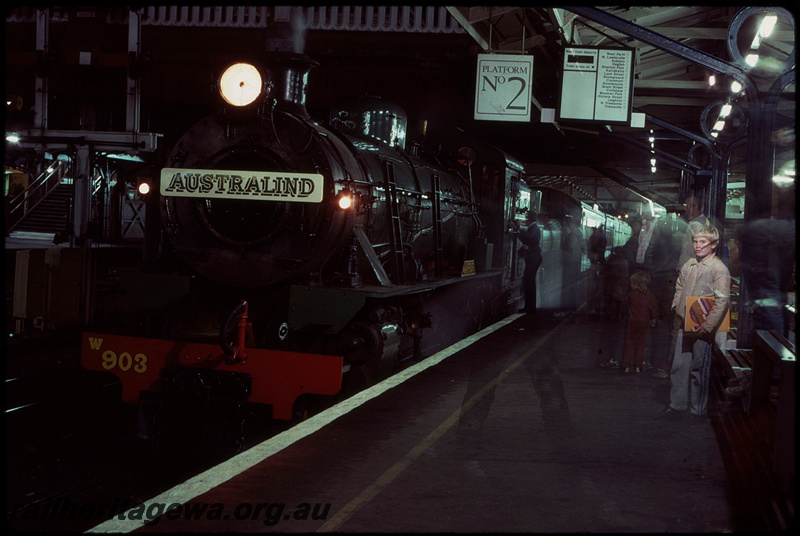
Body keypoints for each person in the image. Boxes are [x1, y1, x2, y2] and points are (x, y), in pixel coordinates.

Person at [657, 224, 730, 418]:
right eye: (696, 242)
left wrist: (708, 326)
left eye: (703, 242)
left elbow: (722, 300)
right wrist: (676, 306)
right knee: (679, 365)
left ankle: (697, 408)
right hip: (684, 322)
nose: (698, 246)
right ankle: (677, 403)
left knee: (699, 368)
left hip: (704, 327)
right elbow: (679, 287)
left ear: (713, 245)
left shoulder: (719, 269)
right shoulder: (689, 264)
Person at [621, 270, 659, 373]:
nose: (630, 285)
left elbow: (625, 306)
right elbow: (654, 309)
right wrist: (653, 318)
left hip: (632, 322)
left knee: (629, 344)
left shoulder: (631, 295)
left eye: (632, 283)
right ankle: (638, 366)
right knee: (641, 346)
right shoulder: (650, 296)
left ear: (636, 284)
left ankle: (626, 366)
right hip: (644, 323)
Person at [517, 212, 542, 314]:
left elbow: (529, 237)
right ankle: (529, 306)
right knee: (529, 282)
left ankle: (530, 308)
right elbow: (526, 238)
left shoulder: (534, 228)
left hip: (533, 258)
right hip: (533, 258)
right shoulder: (533, 227)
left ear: (529, 220)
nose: (525, 221)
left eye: (526, 219)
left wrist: (519, 228)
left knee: (529, 282)